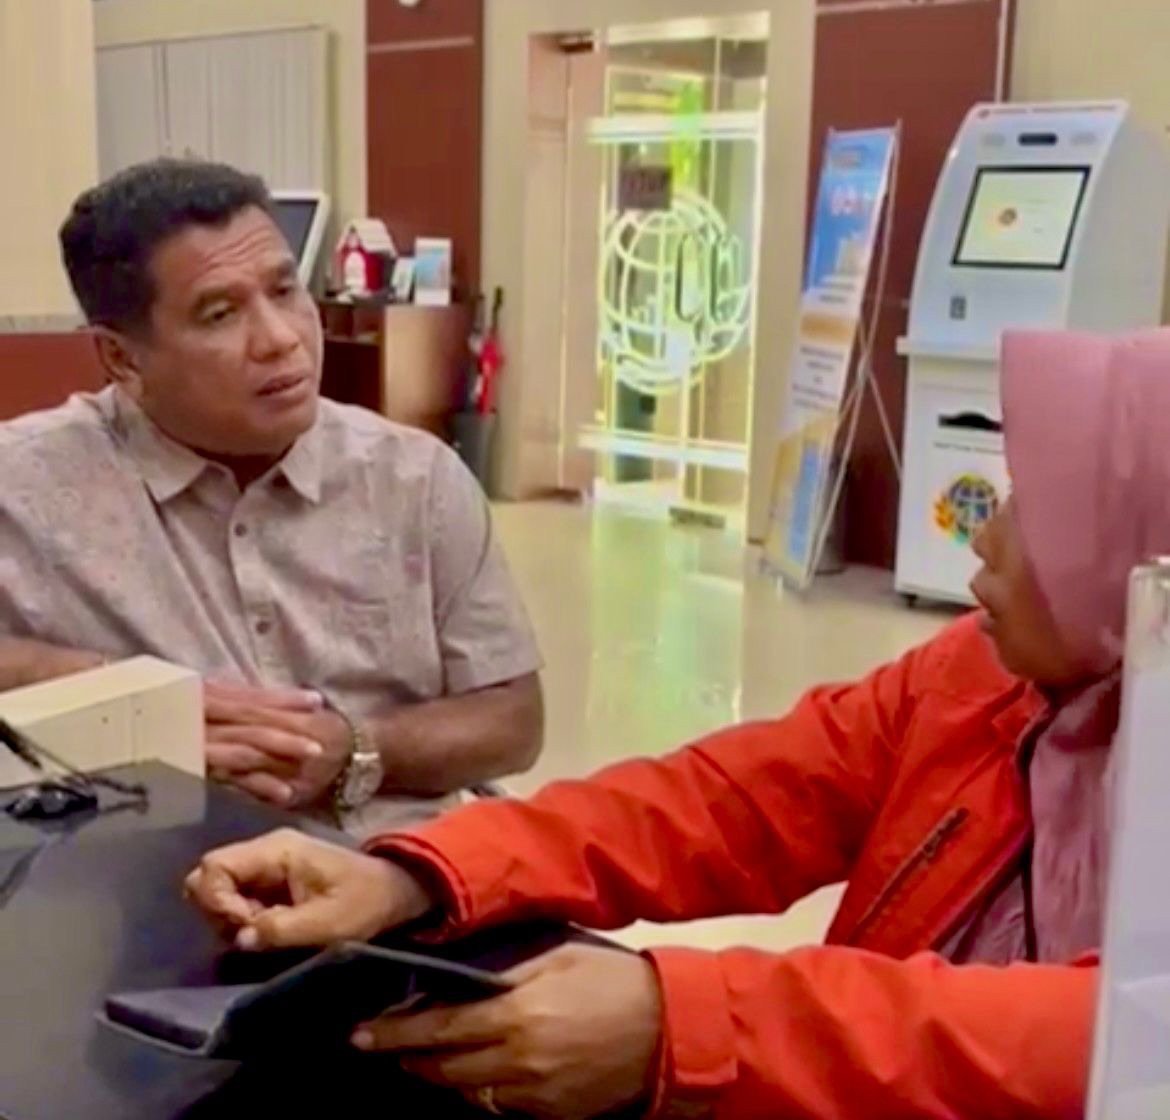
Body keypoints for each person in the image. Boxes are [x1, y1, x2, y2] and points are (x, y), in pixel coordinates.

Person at [185, 327, 1170, 1119]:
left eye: (1041, 508)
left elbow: (1113, 1035)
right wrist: (421, 874)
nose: (983, 534)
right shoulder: (981, 677)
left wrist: (687, 1025)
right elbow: (728, 802)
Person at [0, 159, 543, 836]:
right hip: (149, 872)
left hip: (392, 863)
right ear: (122, 358)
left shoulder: (414, 479)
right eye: (220, 313)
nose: (282, 338)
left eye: (285, 291)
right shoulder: (24, 486)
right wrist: (122, 698)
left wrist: (356, 751)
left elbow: (513, 720)